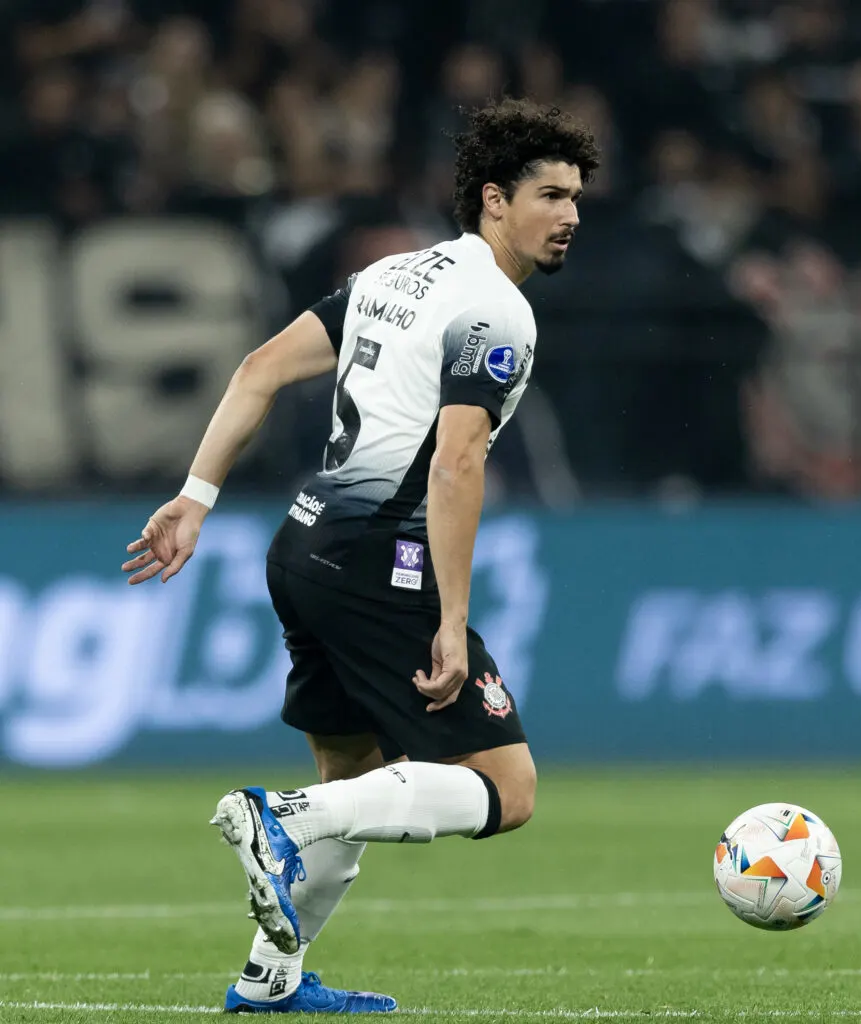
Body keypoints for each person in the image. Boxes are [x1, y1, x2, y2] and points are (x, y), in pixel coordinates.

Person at [122, 97, 600, 1015]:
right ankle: (277, 821)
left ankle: (270, 982)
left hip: (301, 548)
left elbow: (259, 365)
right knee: (506, 788)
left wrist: (196, 496)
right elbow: (458, 463)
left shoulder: (393, 273)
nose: (571, 214)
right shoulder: (497, 313)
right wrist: (451, 621)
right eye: (550, 194)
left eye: (577, 196)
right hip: (384, 562)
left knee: (357, 780)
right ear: (494, 200)